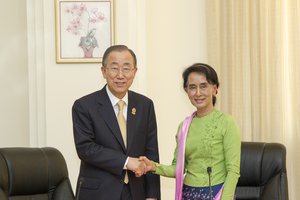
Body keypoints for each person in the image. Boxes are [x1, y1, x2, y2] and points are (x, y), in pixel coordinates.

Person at [140, 63, 241, 200]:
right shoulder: (184, 126)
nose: (198, 93)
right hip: (188, 194)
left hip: (217, 193)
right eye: (192, 87)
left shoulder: (227, 122)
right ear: (187, 91)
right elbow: (178, 169)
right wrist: (154, 166)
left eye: (203, 86)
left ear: (215, 89)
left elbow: (233, 171)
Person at [72, 45, 161, 200]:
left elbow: (151, 153)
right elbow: (86, 149)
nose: (120, 75)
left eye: (126, 69)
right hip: (99, 193)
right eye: (114, 68)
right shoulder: (84, 106)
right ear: (104, 71)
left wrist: (152, 195)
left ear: (135, 72)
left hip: (136, 192)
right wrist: (126, 162)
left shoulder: (145, 105)